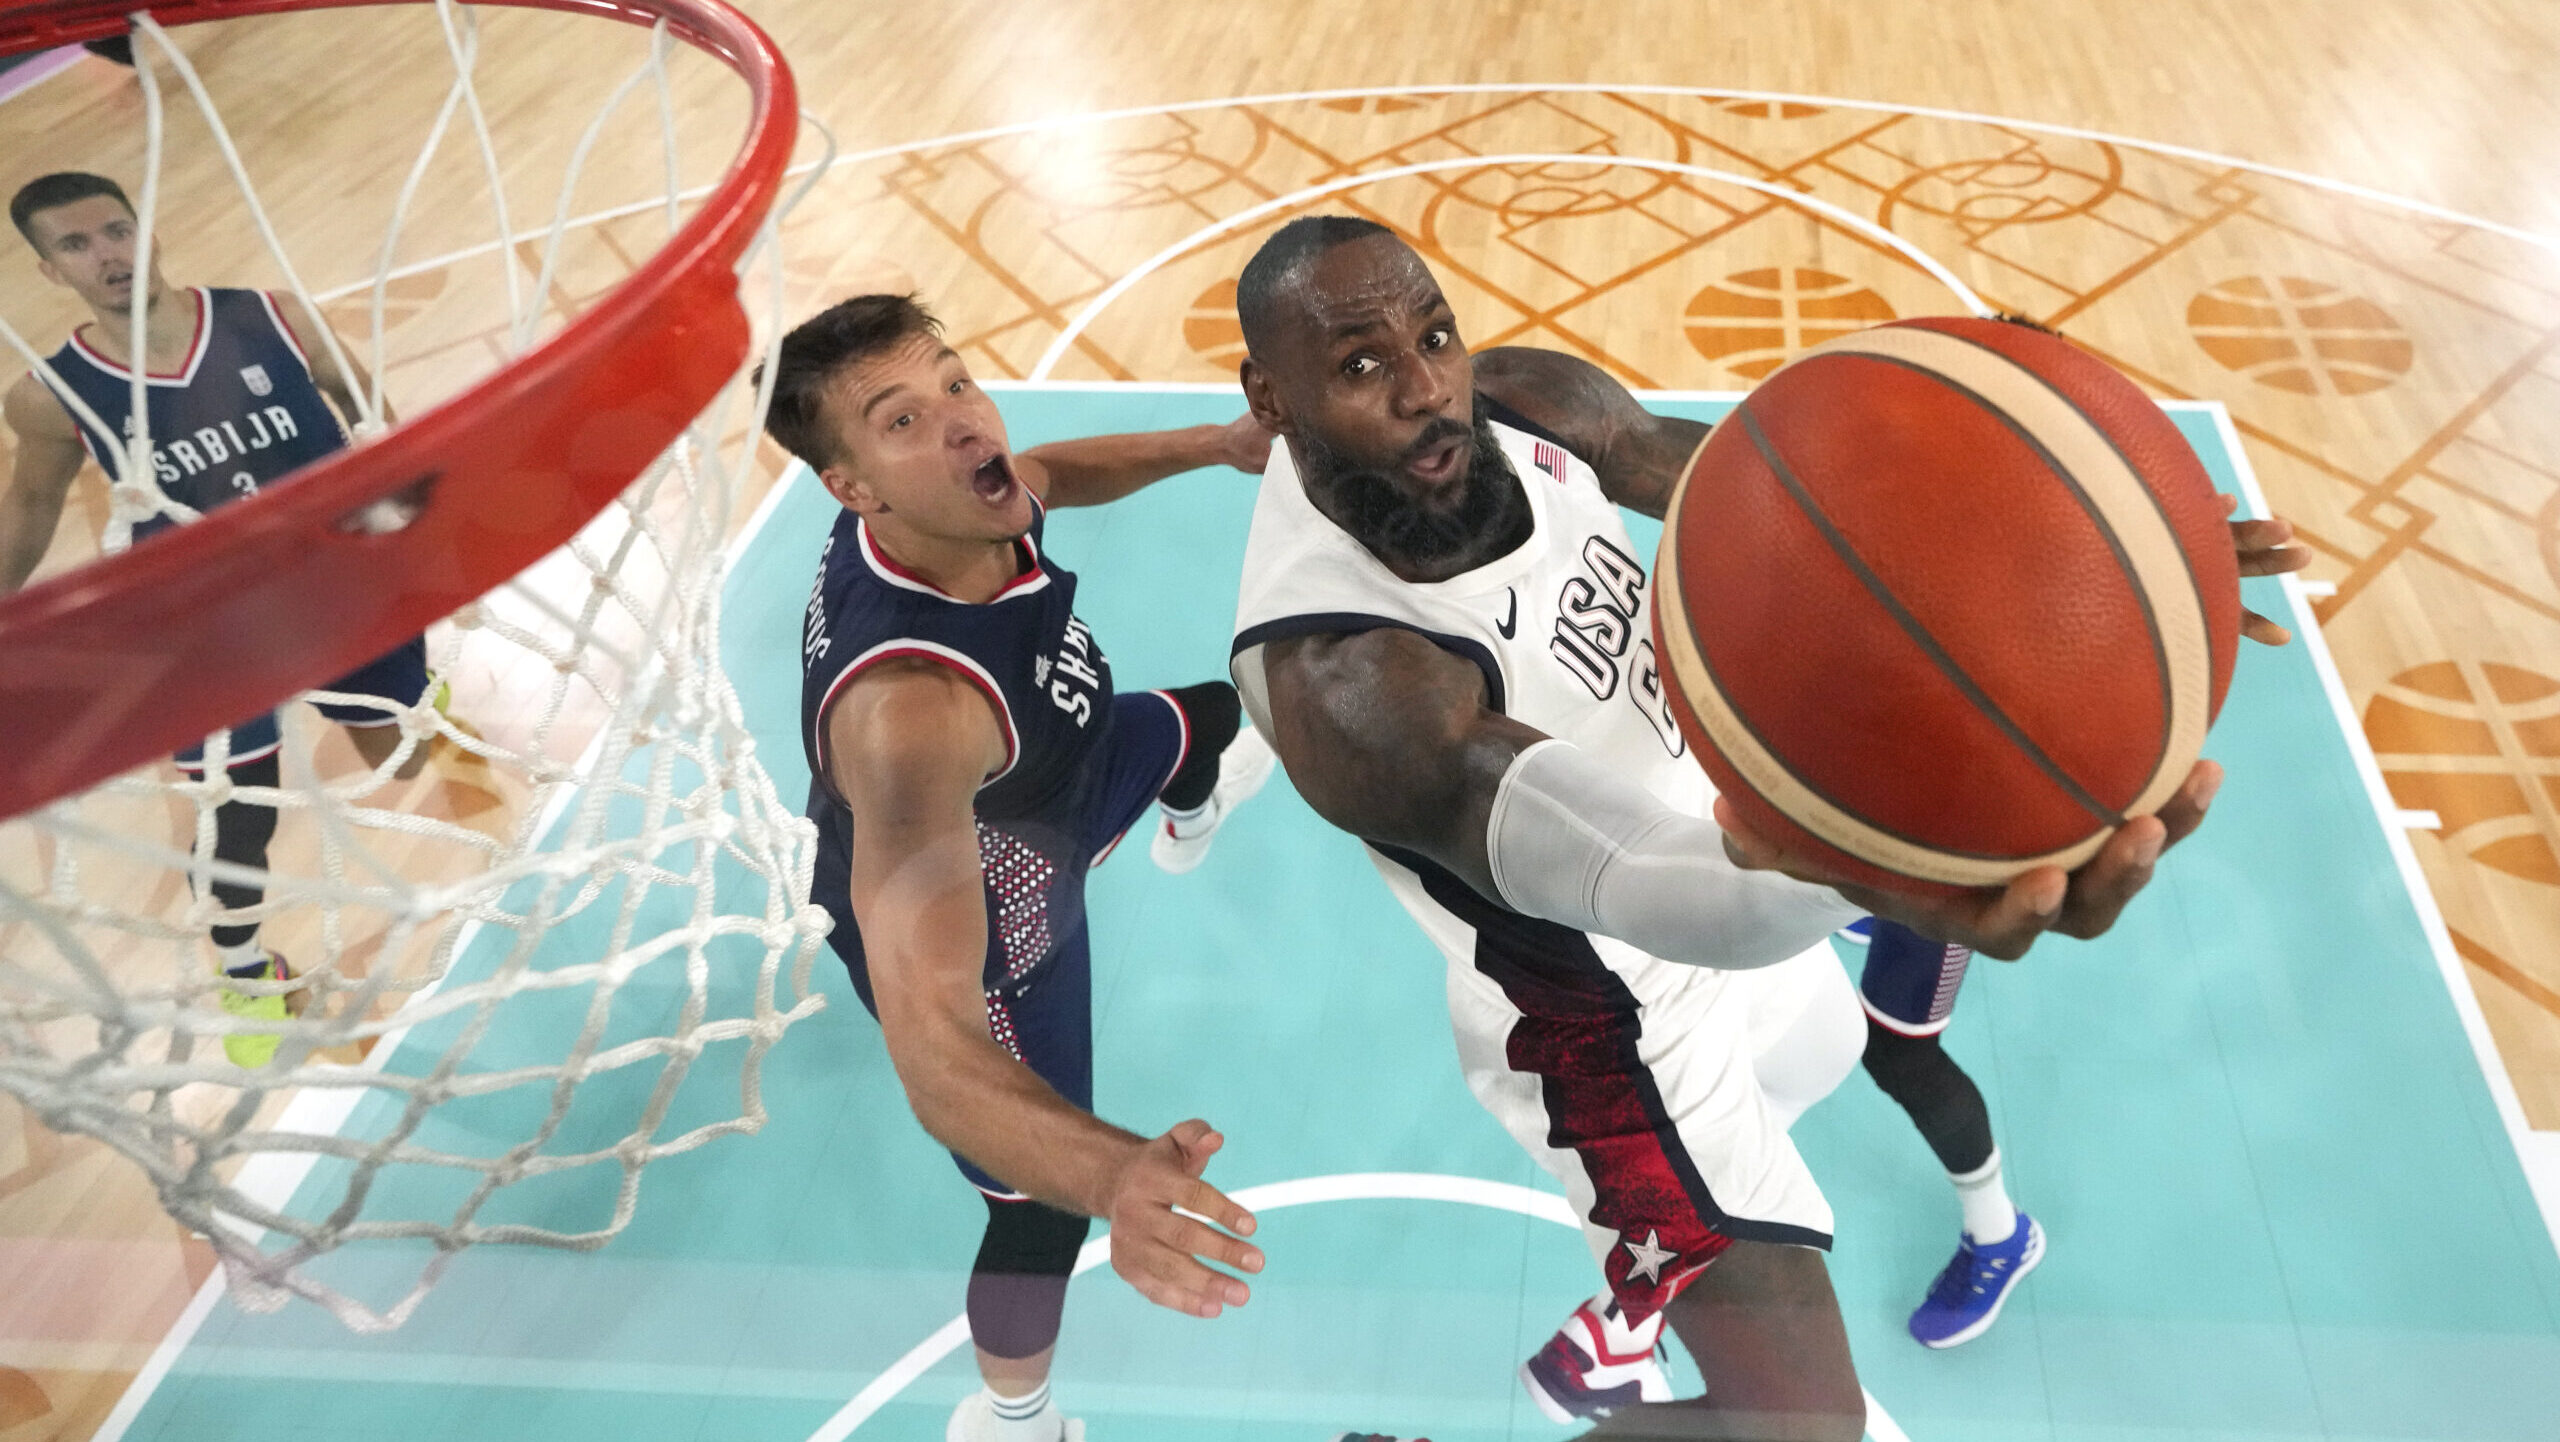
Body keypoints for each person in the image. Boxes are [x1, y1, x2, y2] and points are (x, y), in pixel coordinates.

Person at [1224, 216, 2305, 1438]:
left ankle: (1654, 1267)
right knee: (1799, 1427)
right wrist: (1886, 866)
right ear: (1271, 395)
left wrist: (2091, 549)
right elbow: (1641, 875)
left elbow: (1779, 499)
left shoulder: (1519, 402)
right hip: (1602, 1015)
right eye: (1363, 366)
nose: (1429, 390)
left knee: (1823, 1046)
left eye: (1434, 334)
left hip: (1728, 872)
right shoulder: (1345, 682)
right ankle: (1651, 1259)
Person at [764, 293, 1279, 1442]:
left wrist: (1221, 445)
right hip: (1000, 911)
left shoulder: (947, 510)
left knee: (1212, 715)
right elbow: (935, 1055)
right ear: (853, 485)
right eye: (901, 419)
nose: (960, 423)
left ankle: (1182, 802)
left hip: (1059, 762)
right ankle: (1012, 1416)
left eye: (954, 382)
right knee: (1038, 1209)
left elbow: (1047, 466)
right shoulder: (911, 717)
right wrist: (1108, 1177)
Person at [2, 170, 442, 1066]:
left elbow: (375, 420)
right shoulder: (50, 394)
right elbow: (30, 510)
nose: (107, 255)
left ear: (149, 231)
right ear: (49, 271)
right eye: (77, 246)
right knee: (232, 811)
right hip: (208, 628)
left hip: (336, 587)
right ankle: (246, 967)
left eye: (116, 231)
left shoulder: (275, 318)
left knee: (402, 753)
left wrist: (404, 526)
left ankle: (426, 708)